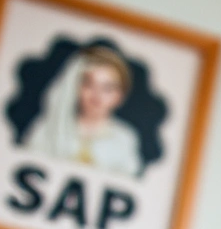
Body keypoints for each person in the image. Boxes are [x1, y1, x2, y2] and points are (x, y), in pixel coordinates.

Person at [23, 44, 143, 176]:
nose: (97, 95)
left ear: (120, 96)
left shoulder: (124, 140)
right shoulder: (47, 130)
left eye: (107, 88)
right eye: (89, 84)